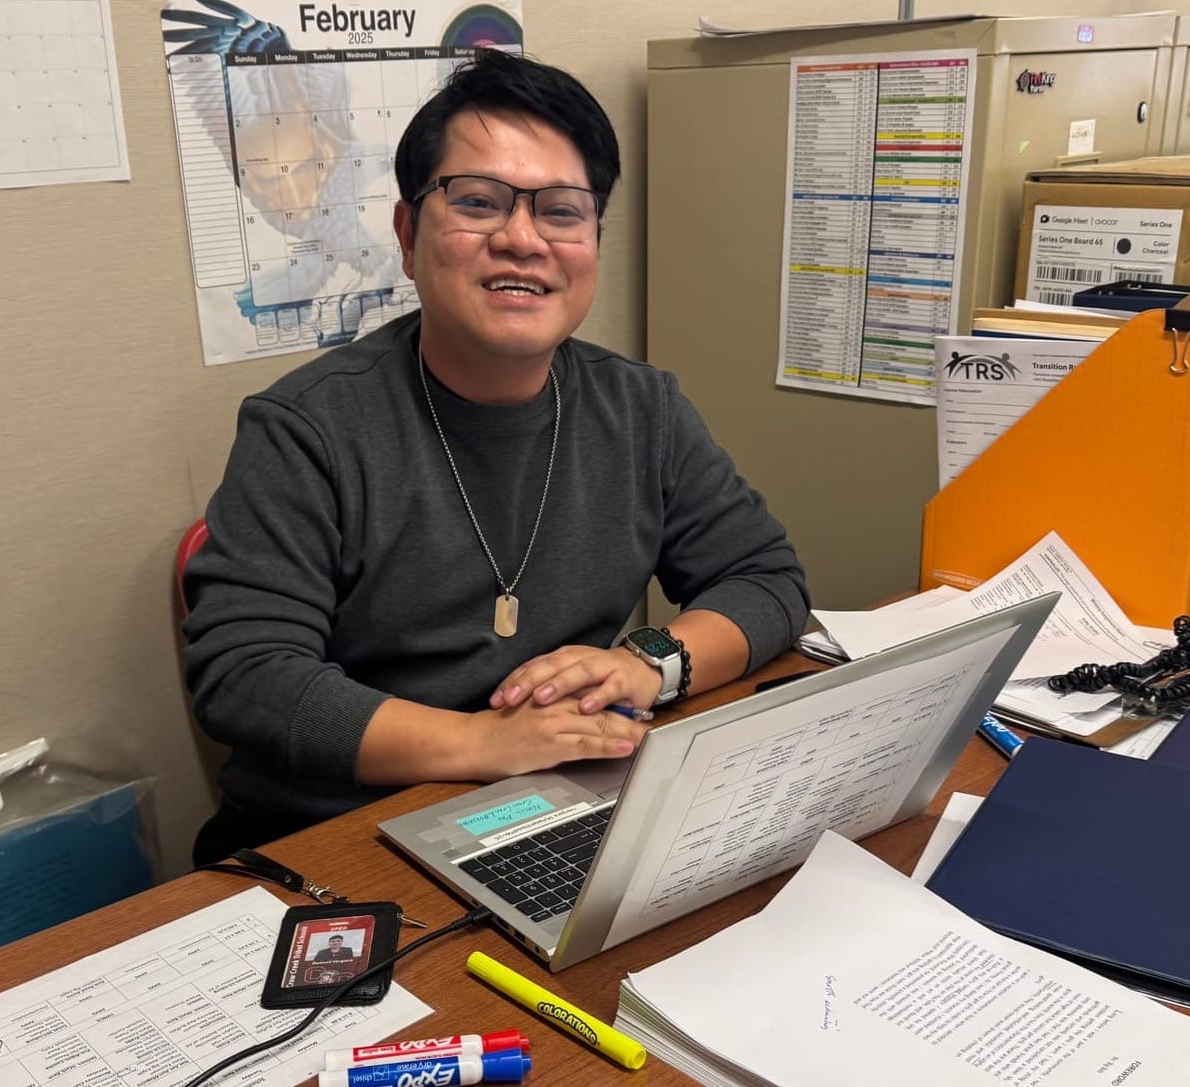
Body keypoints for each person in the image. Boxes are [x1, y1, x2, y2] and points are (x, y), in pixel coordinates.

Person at [181, 49, 810, 866]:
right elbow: (247, 675)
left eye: (560, 211)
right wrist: (485, 742)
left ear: (592, 241)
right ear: (407, 236)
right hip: (340, 843)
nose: (522, 239)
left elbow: (766, 579)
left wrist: (649, 666)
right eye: (477, 202)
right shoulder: (308, 427)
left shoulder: (641, 407)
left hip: (559, 805)